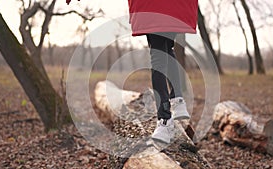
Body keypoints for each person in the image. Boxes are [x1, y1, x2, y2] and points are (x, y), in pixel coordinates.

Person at [66, 0, 198, 144]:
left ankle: (165, 119)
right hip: (176, 6)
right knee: (167, 49)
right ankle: (177, 100)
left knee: (159, 56)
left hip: (154, 6)